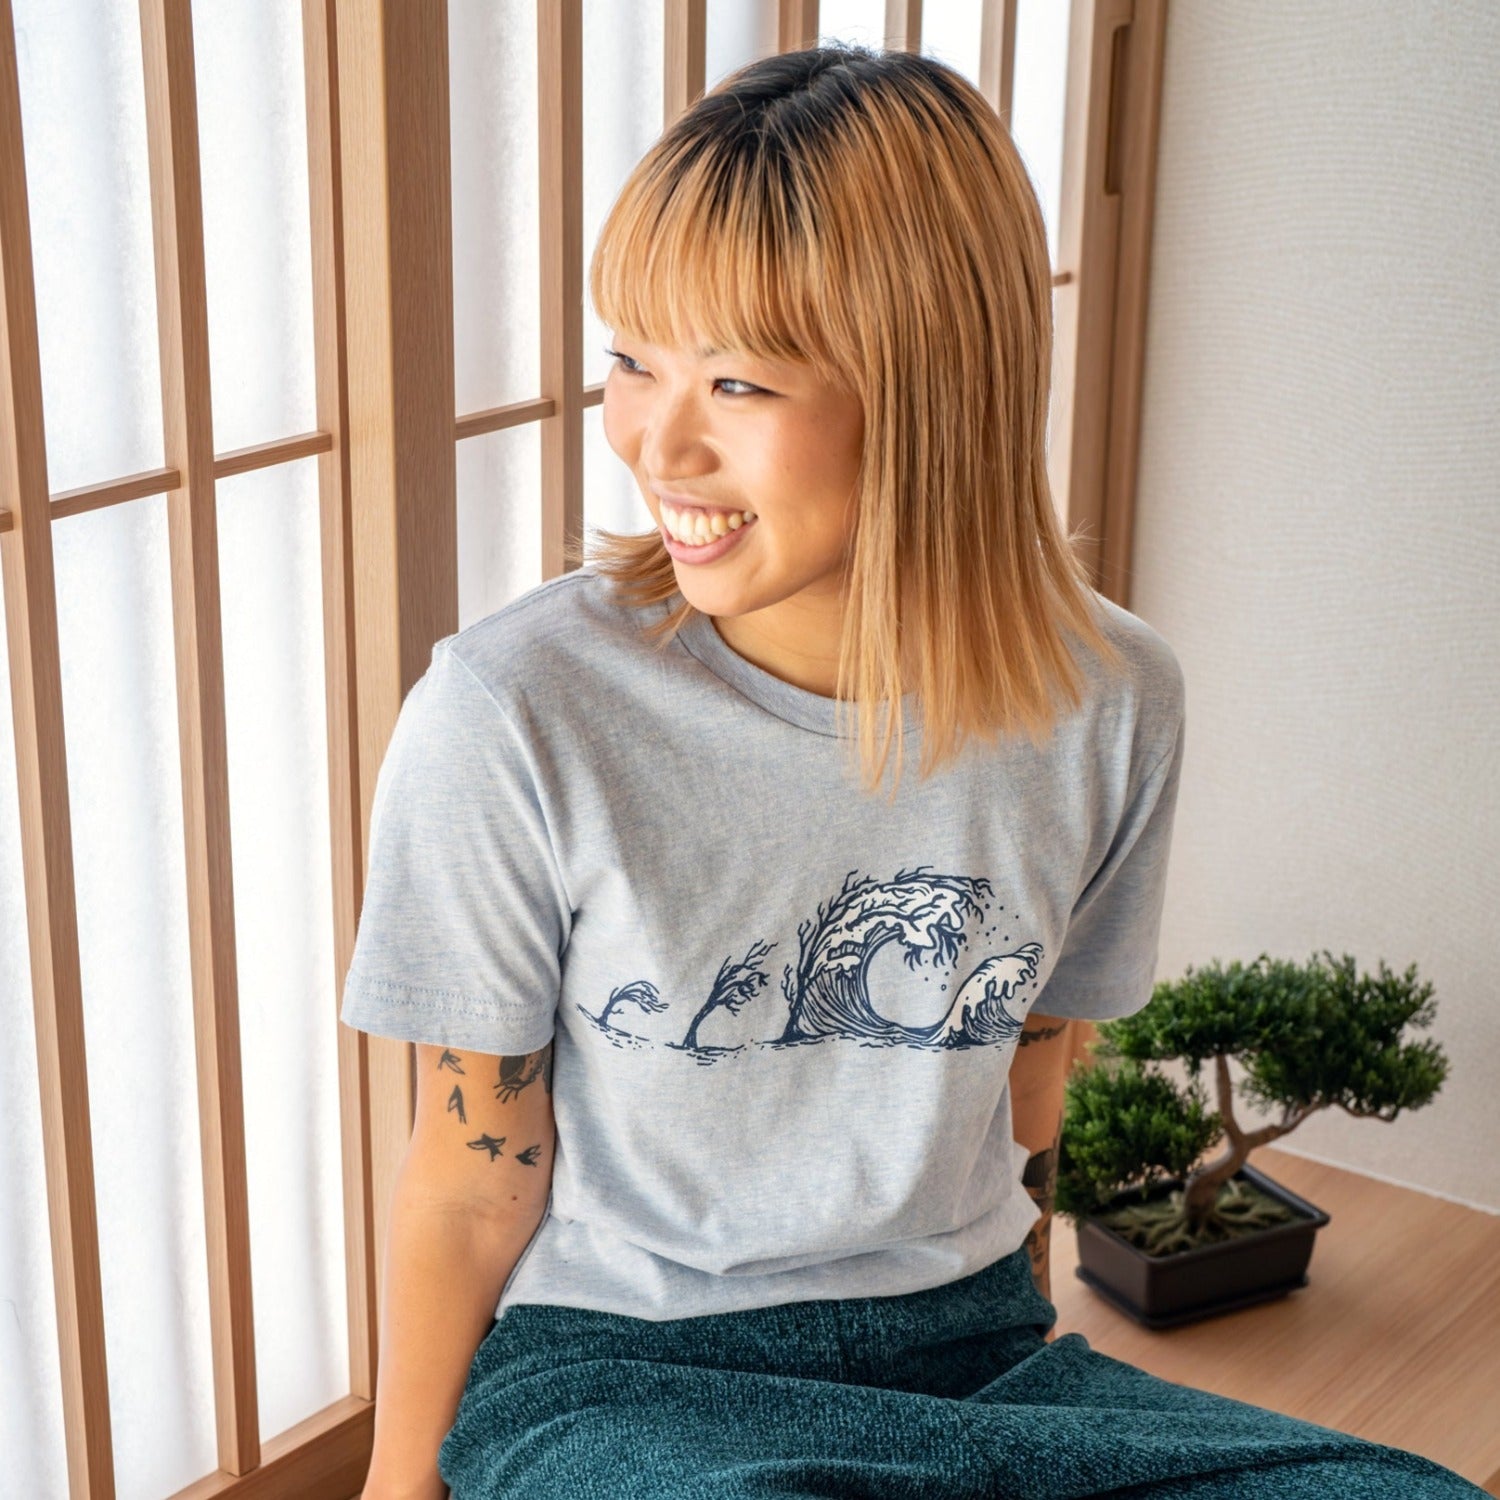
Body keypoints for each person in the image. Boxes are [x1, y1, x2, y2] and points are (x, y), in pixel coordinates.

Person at [341, 42, 1487, 1500]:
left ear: (931, 388)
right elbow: (471, 1168)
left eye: (737, 380)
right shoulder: (514, 711)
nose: (653, 440)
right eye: (631, 357)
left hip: (972, 1349)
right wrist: (396, 1481)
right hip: (618, 1370)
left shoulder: (1108, 700)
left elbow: (1030, 1084)